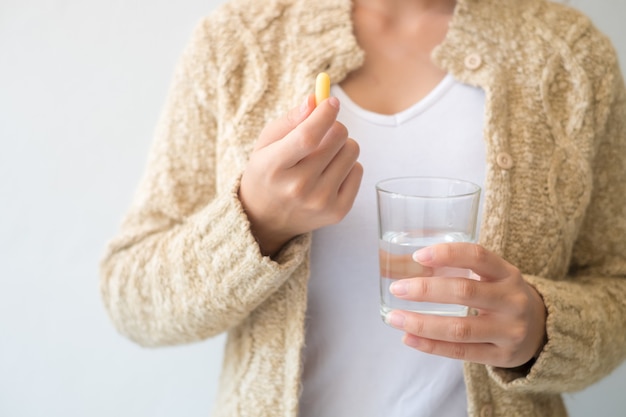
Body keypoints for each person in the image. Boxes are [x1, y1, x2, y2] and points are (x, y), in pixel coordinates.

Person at [99, 0, 626, 415]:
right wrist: (256, 221)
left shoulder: (571, 55)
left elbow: (616, 286)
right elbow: (129, 294)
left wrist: (541, 329)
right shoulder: (236, 40)